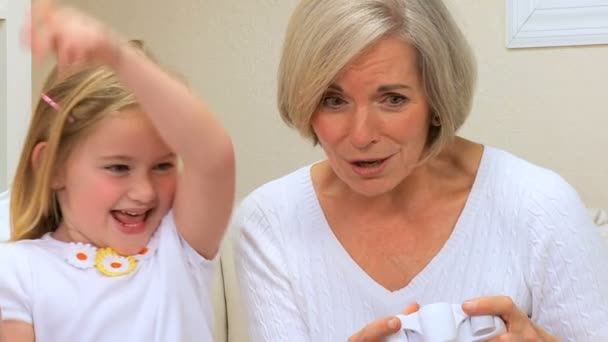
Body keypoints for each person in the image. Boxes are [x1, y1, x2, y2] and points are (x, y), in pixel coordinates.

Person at [231, 0, 608, 341]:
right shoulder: (270, 222)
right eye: (333, 100)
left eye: (393, 99)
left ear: (437, 100)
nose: (361, 136)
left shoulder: (539, 203)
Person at [0, 1, 235, 341]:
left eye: (163, 165)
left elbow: (214, 159)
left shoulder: (177, 247)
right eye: (119, 167)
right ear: (52, 168)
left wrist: (119, 57)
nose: (145, 191)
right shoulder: (17, 269)